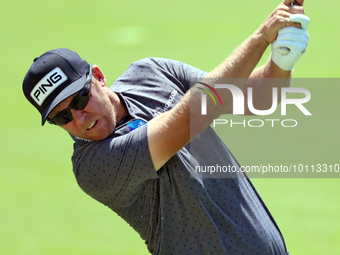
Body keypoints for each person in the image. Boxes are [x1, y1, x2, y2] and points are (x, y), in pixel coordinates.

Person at [22, 0, 310, 254]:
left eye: (80, 98)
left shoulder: (152, 72)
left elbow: (253, 98)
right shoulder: (94, 167)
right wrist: (261, 37)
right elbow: (191, 115)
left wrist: (282, 58)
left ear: (98, 76)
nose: (79, 118)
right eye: (62, 117)